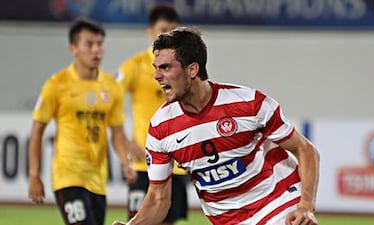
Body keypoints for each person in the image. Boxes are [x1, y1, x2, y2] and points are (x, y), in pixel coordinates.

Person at [113, 27, 320, 225]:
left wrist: (306, 206)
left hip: (277, 202)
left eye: (165, 67)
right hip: (227, 220)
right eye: (156, 68)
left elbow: (305, 149)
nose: (157, 76)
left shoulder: (248, 104)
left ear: (192, 69)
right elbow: (159, 199)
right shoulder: (161, 128)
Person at [28, 18, 136, 225]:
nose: (96, 50)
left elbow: (117, 132)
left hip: (97, 180)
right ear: (73, 48)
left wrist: (125, 160)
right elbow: (37, 128)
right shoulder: (57, 85)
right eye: (89, 44)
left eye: (99, 44)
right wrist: (34, 175)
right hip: (68, 176)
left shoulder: (111, 86)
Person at [115, 4, 187, 225]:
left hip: (176, 162)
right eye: (163, 30)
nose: (169, 37)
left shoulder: (184, 68)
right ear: (150, 32)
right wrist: (125, 143)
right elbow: (108, 103)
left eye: (173, 32)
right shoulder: (134, 67)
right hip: (144, 164)